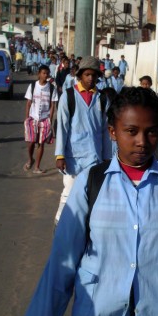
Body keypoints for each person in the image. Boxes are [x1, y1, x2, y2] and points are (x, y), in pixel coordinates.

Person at [21, 86, 158, 316]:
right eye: (131, 131)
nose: (142, 141)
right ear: (113, 132)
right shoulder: (91, 183)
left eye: (151, 131)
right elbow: (62, 260)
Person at [53, 56, 112, 225]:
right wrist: (60, 155)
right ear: (80, 75)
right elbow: (62, 127)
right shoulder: (68, 96)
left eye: (94, 75)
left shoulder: (102, 98)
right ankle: (59, 223)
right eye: (87, 74)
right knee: (69, 192)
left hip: (95, 156)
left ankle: (84, 229)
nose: (90, 78)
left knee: (92, 196)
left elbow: (105, 130)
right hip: (73, 157)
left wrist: (107, 156)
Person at [23, 65, 58, 174]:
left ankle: (37, 167)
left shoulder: (52, 88)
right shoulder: (33, 86)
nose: (45, 75)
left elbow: (52, 105)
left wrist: (50, 120)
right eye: (43, 73)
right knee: (31, 142)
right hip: (33, 118)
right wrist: (26, 118)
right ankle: (30, 159)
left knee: (41, 143)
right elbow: (28, 103)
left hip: (44, 119)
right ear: (39, 73)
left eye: (47, 73)